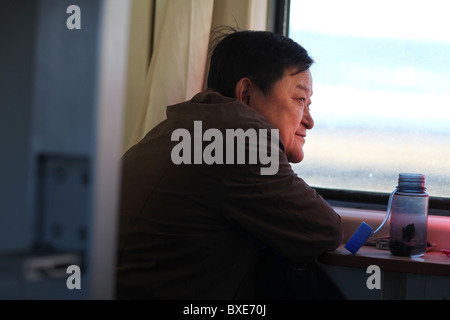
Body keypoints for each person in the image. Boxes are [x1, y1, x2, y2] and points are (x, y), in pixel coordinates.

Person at [115, 28, 343, 300]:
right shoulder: (237, 138)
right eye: (300, 100)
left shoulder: (185, 128)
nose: (309, 120)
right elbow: (323, 230)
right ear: (246, 94)